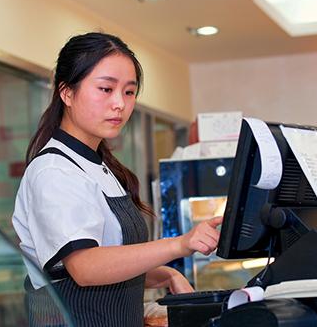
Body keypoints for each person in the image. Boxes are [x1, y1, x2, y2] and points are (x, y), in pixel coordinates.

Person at [12, 32, 223, 327]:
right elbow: (85, 267)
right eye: (105, 89)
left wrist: (167, 274)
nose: (120, 104)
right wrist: (180, 244)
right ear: (67, 93)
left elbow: (114, 261)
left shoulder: (99, 166)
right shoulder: (54, 170)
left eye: (128, 92)